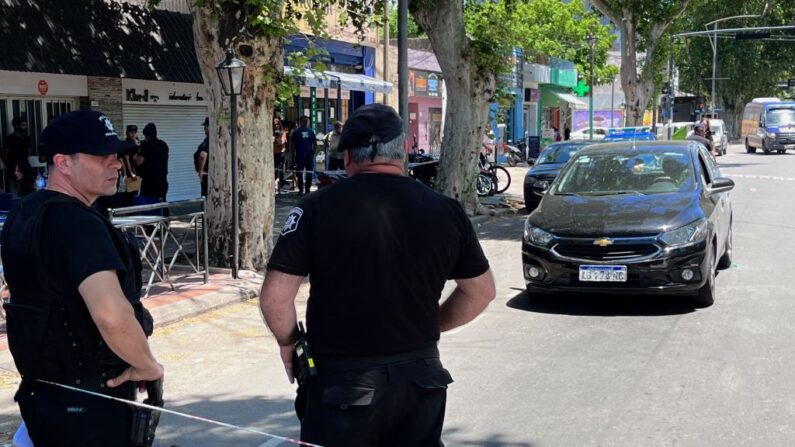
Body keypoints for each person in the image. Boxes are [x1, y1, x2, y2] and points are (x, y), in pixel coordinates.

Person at [260, 104, 496, 446]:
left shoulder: (315, 208)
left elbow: (275, 298)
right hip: (421, 381)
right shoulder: (445, 210)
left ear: (348, 157)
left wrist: (289, 344)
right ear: (403, 149)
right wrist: (432, 322)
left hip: (343, 384)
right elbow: (481, 292)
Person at [1, 110, 164, 446]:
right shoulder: (78, 223)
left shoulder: (23, 213)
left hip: (43, 400)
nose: (116, 164)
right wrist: (148, 365)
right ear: (63, 162)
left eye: (116, 155)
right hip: (93, 405)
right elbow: (111, 316)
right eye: (101, 156)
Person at [134, 122, 169, 201]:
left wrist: (135, 154)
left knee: (149, 207)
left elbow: (139, 161)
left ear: (146, 134)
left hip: (150, 183)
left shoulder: (146, 145)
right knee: (162, 205)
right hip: (162, 181)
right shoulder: (163, 144)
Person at [289, 116, 317, 195]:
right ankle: (301, 190)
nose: (305, 122)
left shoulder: (311, 131)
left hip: (309, 156)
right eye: (304, 121)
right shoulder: (296, 132)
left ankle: (307, 189)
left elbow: (315, 143)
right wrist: (293, 155)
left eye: (307, 121)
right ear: (300, 122)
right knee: (299, 173)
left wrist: (313, 152)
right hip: (299, 156)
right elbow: (293, 145)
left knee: (309, 173)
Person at [3, 117, 31, 193]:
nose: (25, 128)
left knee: (28, 187)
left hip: (25, 165)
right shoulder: (10, 139)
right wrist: (8, 165)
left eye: (26, 125)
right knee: (18, 188)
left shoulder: (27, 138)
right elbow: (5, 153)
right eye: (23, 125)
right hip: (14, 166)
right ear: (16, 126)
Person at [194, 117, 210, 197]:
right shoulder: (212, 140)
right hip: (209, 175)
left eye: (206, 126)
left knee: (205, 198)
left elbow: (203, 155)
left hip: (206, 176)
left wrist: (200, 171)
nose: (204, 129)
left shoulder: (208, 141)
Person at [273, 116, 287, 190]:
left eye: (277, 124)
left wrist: (275, 141)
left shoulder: (282, 131)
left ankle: (280, 185)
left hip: (280, 153)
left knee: (280, 170)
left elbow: (281, 142)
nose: (276, 125)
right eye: (274, 124)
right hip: (273, 153)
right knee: (274, 170)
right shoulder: (271, 132)